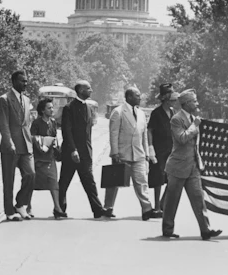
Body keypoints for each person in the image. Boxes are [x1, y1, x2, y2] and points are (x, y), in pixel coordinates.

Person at [162, 89, 221, 240]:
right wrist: (195, 126)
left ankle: (205, 230)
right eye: (194, 101)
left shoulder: (195, 118)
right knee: (172, 201)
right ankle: (168, 229)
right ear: (186, 104)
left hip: (193, 165)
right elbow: (182, 138)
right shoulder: (176, 119)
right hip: (177, 167)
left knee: (198, 199)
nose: (197, 103)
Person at [58, 80, 111, 219]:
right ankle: (59, 209)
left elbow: (88, 133)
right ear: (81, 90)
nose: (91, 90)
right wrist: (73, 149)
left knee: (89, 182)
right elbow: (67, 131)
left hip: (85, 153)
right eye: (88, 88)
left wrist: (89, 150)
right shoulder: (69, 108)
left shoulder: (88, 107)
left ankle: (97, 210)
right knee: (64, 182)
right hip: (72, 152)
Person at [106, 87, 159, 220]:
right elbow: (113, 134)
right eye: (137, 96)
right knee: (115, 182)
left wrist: (146, 153)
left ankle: (147, 208)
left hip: (138, 154)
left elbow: (144, 136)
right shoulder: (118, 112)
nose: (140, 98)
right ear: (129, 97)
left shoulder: (141, 114)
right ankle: (108, 207)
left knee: (141, 181)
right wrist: (115, 153)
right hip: (122, 154)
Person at [0, 71, 35, 221]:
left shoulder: (26, 99)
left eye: (26, 81)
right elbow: (3, 123)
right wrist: (9, 142)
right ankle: (9, 211)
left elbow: (26, 124)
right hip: (10, 147)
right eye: (21, 81)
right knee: (9, 180)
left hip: (26, 145)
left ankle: (20, 204)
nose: (25, 84)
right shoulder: (4, 99)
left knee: (31, 174)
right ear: (13, 81)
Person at [31, 98, 66, 219]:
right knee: (32, 182)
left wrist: (57, 148)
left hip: (50, 157)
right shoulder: (36, 123)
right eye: (49, 108)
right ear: (42, 110)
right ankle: (28, 206)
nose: (52, 110)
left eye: (52, 107)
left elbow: (55, 137)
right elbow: (33, 138)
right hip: (38, 159)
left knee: (53, 182)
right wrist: (45, 141)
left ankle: (57, 207)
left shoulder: (53, 123)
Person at [147, 84, 178, 214]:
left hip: (171, 149)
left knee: (172, 178)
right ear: (165, 97)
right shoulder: (156, 113)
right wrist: (150, 148)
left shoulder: (173, 112)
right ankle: (156, 207)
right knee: (158, 177)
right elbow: (150, 131)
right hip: (158, 150)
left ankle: (163, 202)